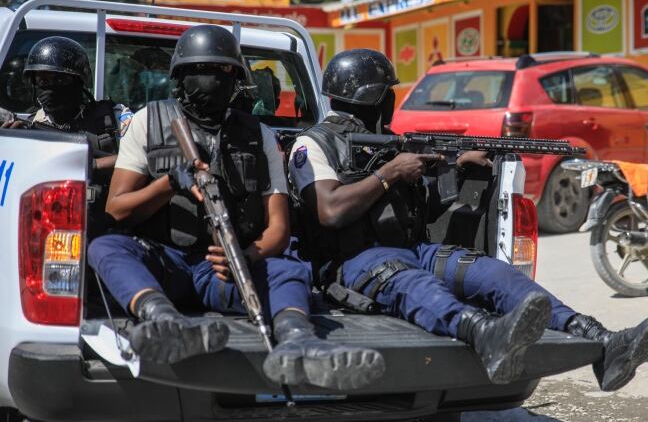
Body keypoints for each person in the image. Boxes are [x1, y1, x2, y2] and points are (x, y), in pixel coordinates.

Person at [288, 49, 648, 391]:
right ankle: (484, 335)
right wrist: (389, 174)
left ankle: (602, 341)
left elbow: (418, 205)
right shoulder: (313, 144)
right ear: (372, 97)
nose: (392, 100)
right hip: (355, 261)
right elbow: (331, 211)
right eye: (388, 92)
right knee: (416, 285)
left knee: (493, 274)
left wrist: (455, 165)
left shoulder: (388, 140)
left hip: (413, 248)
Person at [86, 26, 384, 391]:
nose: (211, 81)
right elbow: (117, 210)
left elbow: (278, 228)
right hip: (165, 263)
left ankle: (297, 340)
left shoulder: (260, 135)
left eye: (223, 72)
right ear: (180, 77)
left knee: (287, 268)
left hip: (225, 270)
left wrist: (245, 256)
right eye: (200, 71)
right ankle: (164, 322)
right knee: (105, 247)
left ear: (237, 80)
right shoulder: (150, 122)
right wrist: (170, 184)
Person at [2, 36, 133, 237]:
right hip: (48, 228)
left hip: (109, 226)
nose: (50, 87)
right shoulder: (30, 127)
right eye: (43, 80)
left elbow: (141, 157)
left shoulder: (113, 118)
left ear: (79, 82)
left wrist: (93, 165)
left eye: (60, 80)